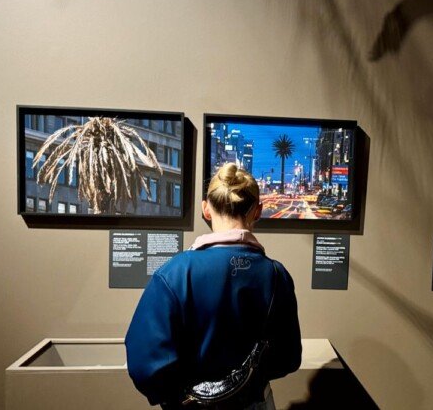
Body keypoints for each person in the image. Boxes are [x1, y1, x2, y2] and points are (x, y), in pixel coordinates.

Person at [126, 163, 302, 409]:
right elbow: (288, 358)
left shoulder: (174, 273)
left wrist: (180, 393)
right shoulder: (276, 275)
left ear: (206, 210)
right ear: (258, 211)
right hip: (255, 402)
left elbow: (144, 364)